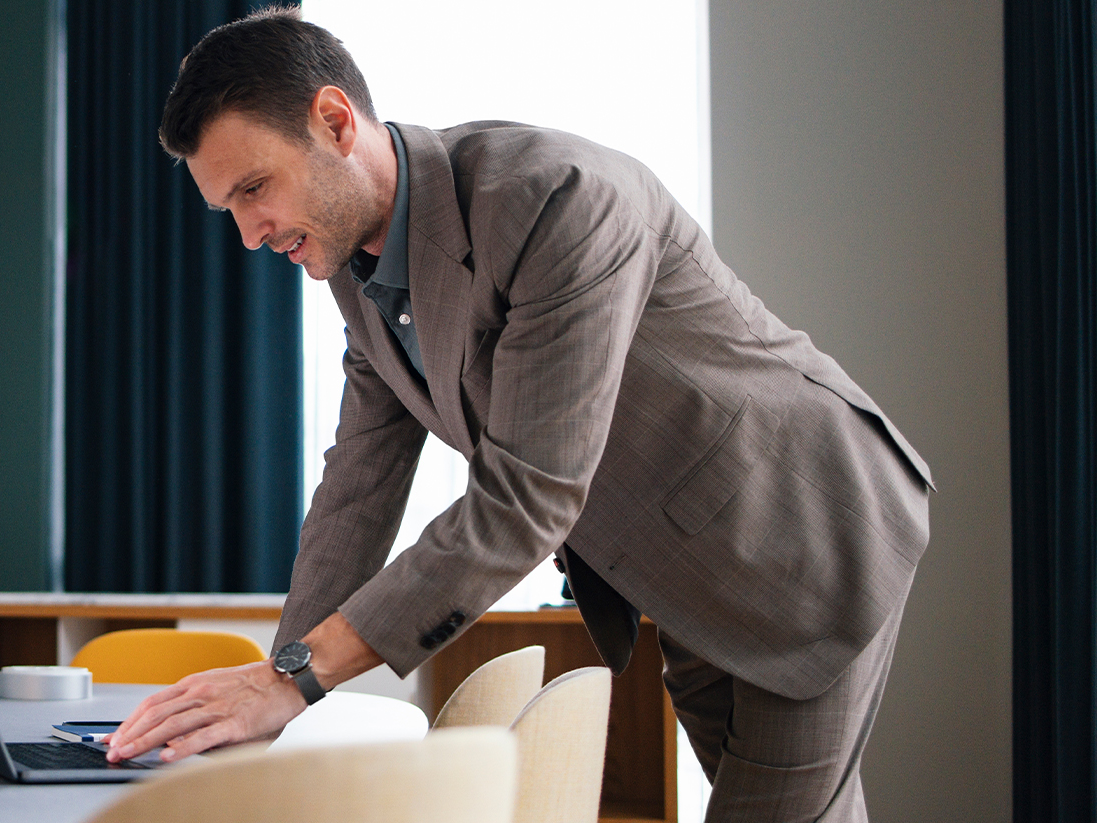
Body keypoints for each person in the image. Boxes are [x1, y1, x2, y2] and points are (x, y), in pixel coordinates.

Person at [101, 8, 932, 821]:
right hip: (690, 577)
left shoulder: (557, 197)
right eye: (229, 210)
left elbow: (527, 494)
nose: (250, 234)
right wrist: (276, 687)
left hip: (803, 536)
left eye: (255, 189)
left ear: (333, 119)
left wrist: (291, 678)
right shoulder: (360, 278)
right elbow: (355, 490)